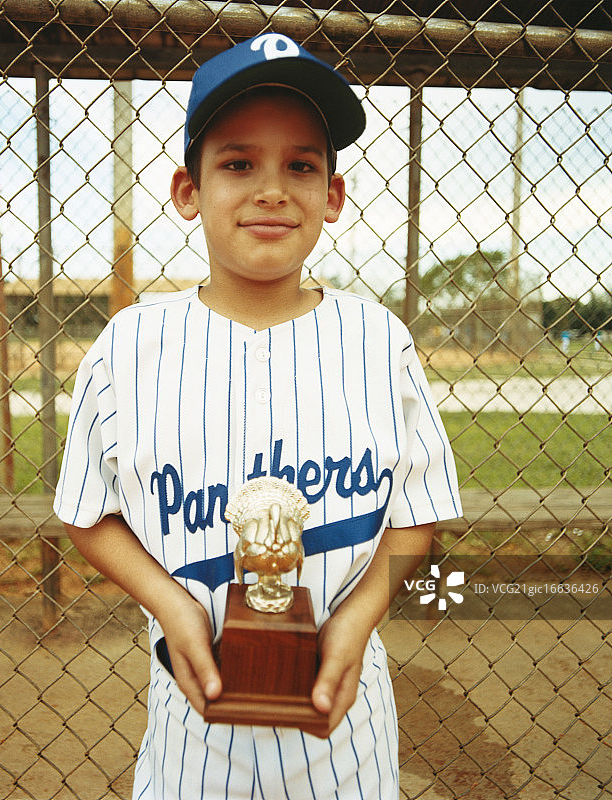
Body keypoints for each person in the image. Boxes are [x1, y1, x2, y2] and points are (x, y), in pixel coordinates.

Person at [54, 32, 461, 800]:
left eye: (301, 165)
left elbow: (416, 517)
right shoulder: (131, 345)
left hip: (347, 735)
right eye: (238, 163)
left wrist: (359, 615)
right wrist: (170, 604)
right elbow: (86, 513)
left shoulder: (378, 341)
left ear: (331, 196)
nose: (272, 189)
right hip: (192, 741)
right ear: (188, 190)